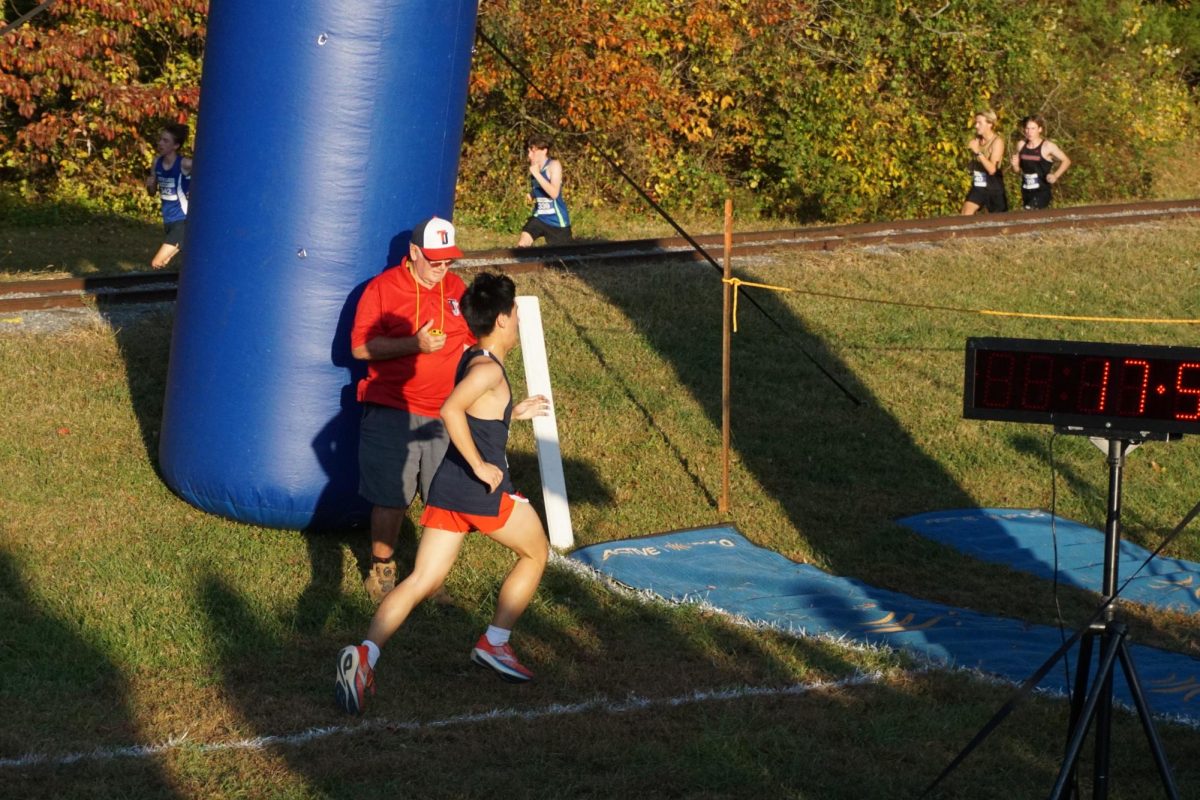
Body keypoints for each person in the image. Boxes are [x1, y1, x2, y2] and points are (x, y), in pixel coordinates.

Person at [336, 272, 551, 714]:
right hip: (480, 489)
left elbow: (476, 411)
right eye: (514, 314)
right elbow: (451, 409)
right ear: (504, 320)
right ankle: (496, 642)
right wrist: (480, 465)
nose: (518, 321)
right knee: (536, 554)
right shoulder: (489, 367)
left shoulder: (474, 357)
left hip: (448, 488)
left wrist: (514, 411)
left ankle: (364, 656)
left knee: (421, 580)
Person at [351, 216, 475, 605]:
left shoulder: (456, 289)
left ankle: (430, 577)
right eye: (435, 261)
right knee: (391, 497)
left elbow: (474, 345)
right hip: (393, 409)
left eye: (448, 261)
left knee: (443, 499)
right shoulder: (383, 289)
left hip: (445, 415)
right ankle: (382, 571)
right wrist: (414, 344)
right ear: (414, 253)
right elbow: (359, 348)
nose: (442, 269)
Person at [144, 123, 192, 269]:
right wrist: (150, 185)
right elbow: (152, 193)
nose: (160, 144)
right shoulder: (156, 162)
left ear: (175, 146)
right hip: (168, 220)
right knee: (170, 263)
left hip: (183, 220)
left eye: (165, 141)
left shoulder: (185, 164)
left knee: (156, 262)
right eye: (160, 140)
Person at [516, 135, 572, 246]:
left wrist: (536, 174)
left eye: (533, 151)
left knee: (560, 256)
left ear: (544, 151)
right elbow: (540, 187)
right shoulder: (534, 167)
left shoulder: (554, 165)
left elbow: (554, 193)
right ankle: (520, 261)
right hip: (540, 217)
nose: (529, 155)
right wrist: (532, 194)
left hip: (556, 221)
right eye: (528, 151)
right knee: (523, 243)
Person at [1010, 115, 1071, 210]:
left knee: (1031, 210)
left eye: (1033, 129)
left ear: (1040, 129)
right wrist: (1015, 165)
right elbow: (1017, 170)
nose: (1029, 132)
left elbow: (1066, 161)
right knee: (1030, 216)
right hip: (1026, 189)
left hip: (1042, 190)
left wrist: (1055, 175)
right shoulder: (1021, 145)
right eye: (1027, 128)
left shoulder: (1048, 146)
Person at [960, 110, 1007, 215]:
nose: (976, 126)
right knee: (965, 214)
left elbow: (992, 170)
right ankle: (967, 231)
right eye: (975, 123)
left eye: (979, 123)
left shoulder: (997, 142)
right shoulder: (976, 140)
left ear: (990, 124)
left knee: (998, 222)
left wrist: (977, 152)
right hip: (979, 185)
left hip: (994, 186)